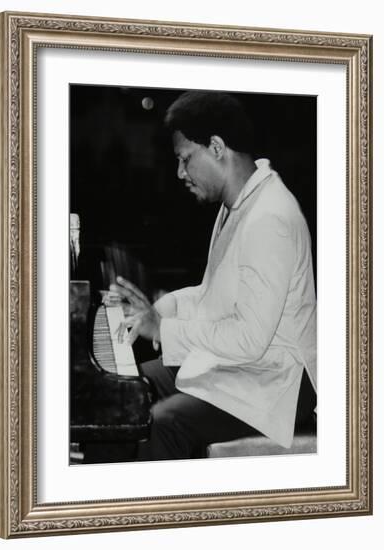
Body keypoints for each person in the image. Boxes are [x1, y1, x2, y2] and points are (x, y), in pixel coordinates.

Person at [112, 91, 317, 461]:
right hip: (249, 366)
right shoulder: (239, 204)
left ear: (217, 147)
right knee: (128, 384)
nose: (180, 173)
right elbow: (214, 293)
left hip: (276, 383)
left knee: (161, 421)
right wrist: (160, 307)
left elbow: (250, 338)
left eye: (185, 159)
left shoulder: (268, 218)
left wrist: (162, 329)